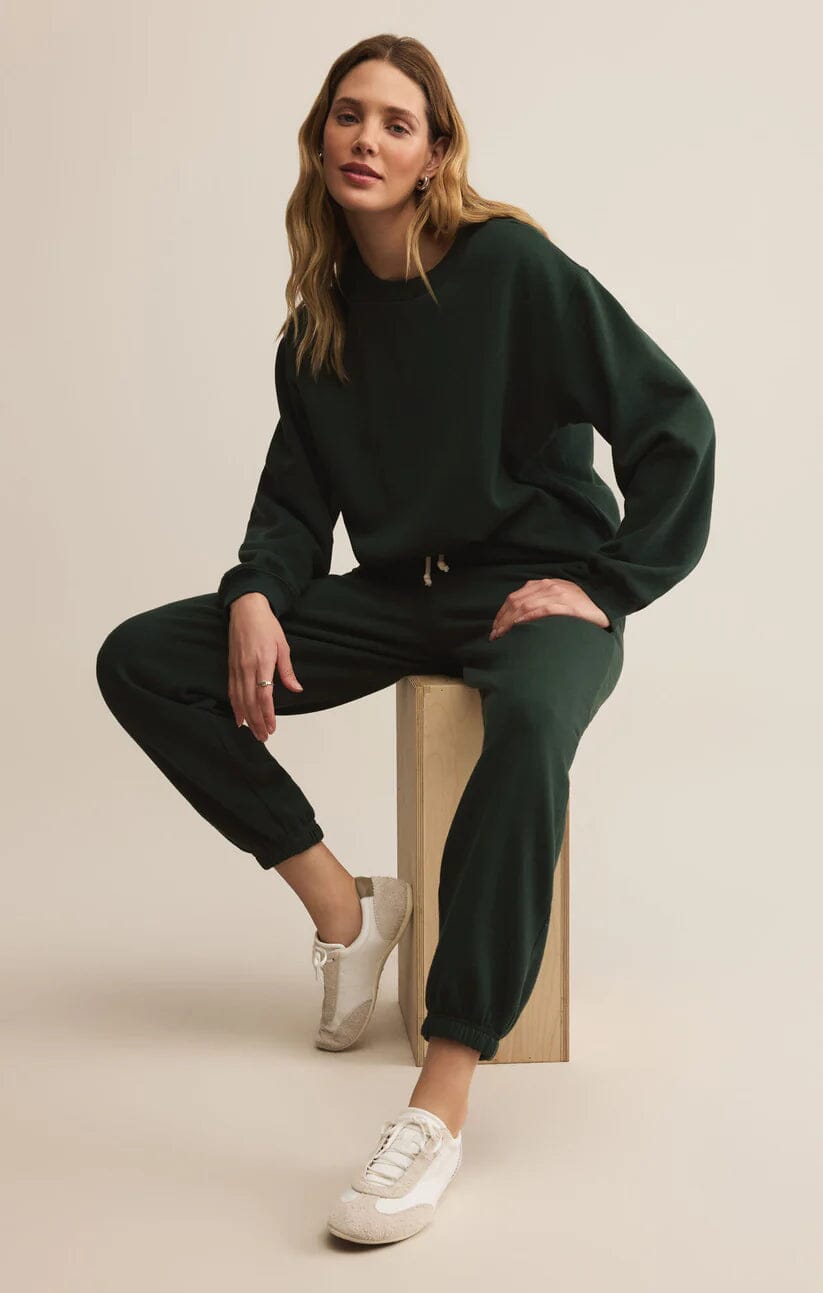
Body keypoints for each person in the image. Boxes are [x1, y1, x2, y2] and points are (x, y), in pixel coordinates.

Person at [95, 33, 716, 1245]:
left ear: (435, 154)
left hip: (536, 589)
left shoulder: (509, 269)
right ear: (319, 139)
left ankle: (441, 1094)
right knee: (143, 661)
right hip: (397, 598)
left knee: (527, 729)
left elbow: (671, 421)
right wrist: (256, 590)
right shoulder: (317, 328)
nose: (365, 139)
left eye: (394, 122)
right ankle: (344, 909)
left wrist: (609, 584)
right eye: (347, 115)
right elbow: (292, 508)